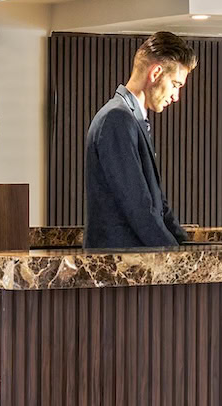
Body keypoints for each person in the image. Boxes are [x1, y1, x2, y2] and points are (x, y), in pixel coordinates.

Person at [84, 31, 196, 249]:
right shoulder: (116, 118)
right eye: (175, 84)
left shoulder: (130, 118)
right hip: (119, 267)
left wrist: (187, 249)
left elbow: (158, 206)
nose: (176, 96)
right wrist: (174, 257)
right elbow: (138, 206)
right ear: (155, 73)